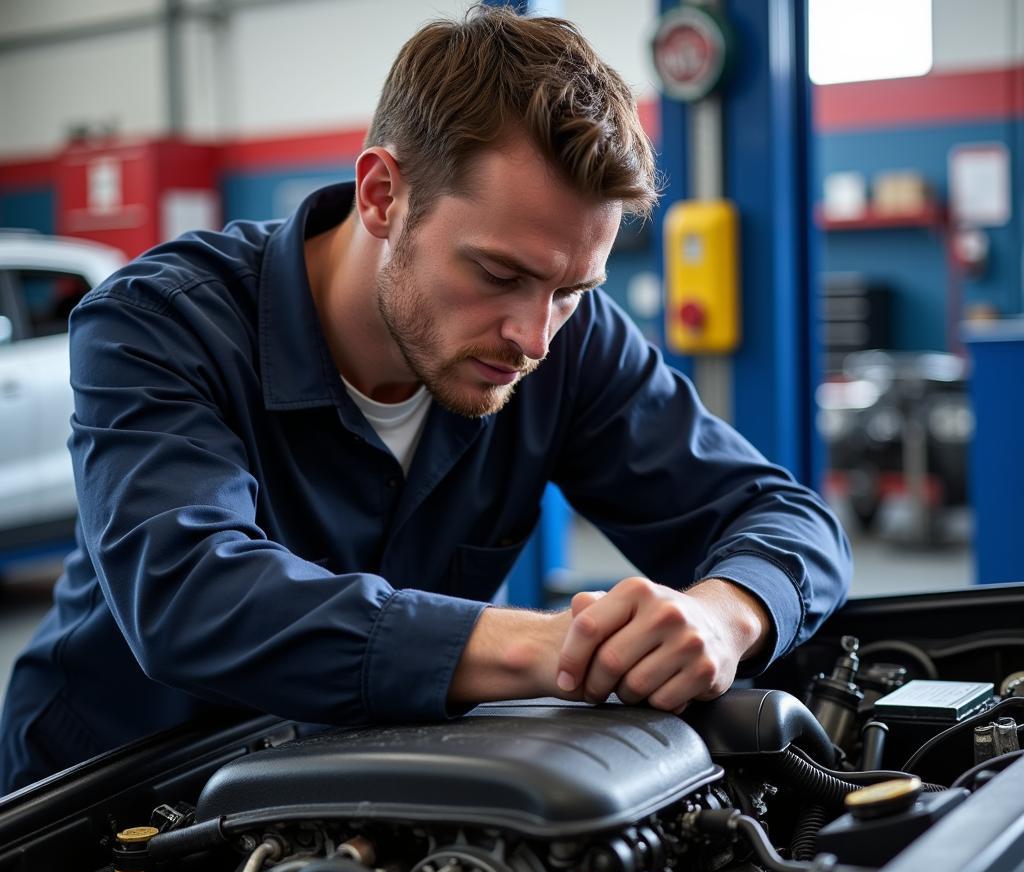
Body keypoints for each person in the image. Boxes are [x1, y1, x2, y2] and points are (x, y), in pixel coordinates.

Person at [0, 5, 850, 794]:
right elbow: (192, 594)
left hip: (356, 791)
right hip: (106, 806)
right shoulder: (161, 323)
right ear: (381, 195)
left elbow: (784, 516)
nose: (534, 338)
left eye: (571, 289)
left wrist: (726, 614)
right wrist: (548, 646)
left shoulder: (570, 343)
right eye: (498, 274)